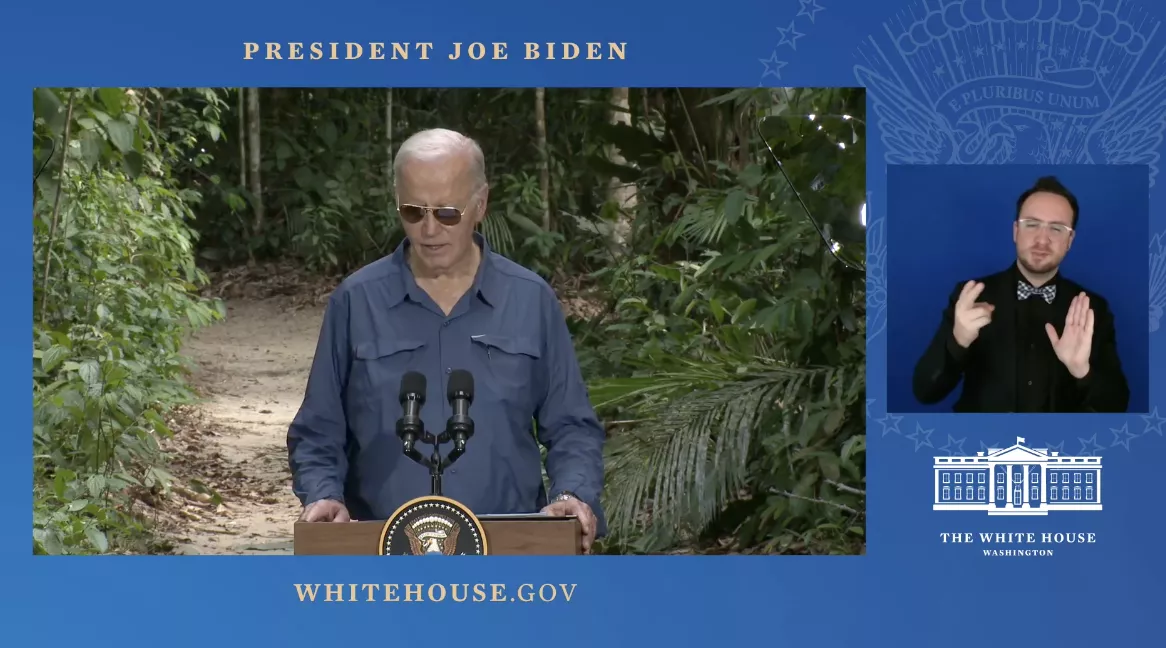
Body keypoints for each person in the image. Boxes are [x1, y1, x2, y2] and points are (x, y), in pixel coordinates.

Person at [286, 128, 606, 551]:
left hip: (510, 553)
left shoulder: (530, 299)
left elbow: (571, 427)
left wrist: (572, 495)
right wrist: (324, 494)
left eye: (448, 212)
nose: (429, 229)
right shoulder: (356, 301)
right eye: (414, 212)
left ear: (481, 204)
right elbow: (318, 430)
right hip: (382, 552)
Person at [912, 176, 1129, 413]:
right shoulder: (971, 298)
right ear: (1016, 230)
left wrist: (1081, 370)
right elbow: (925, 392)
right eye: (1032, 224)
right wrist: (958, 341)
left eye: (1056, 228)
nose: (1042, 239)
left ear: (1070, 240)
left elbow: (1117, 406)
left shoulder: (1093, 308)